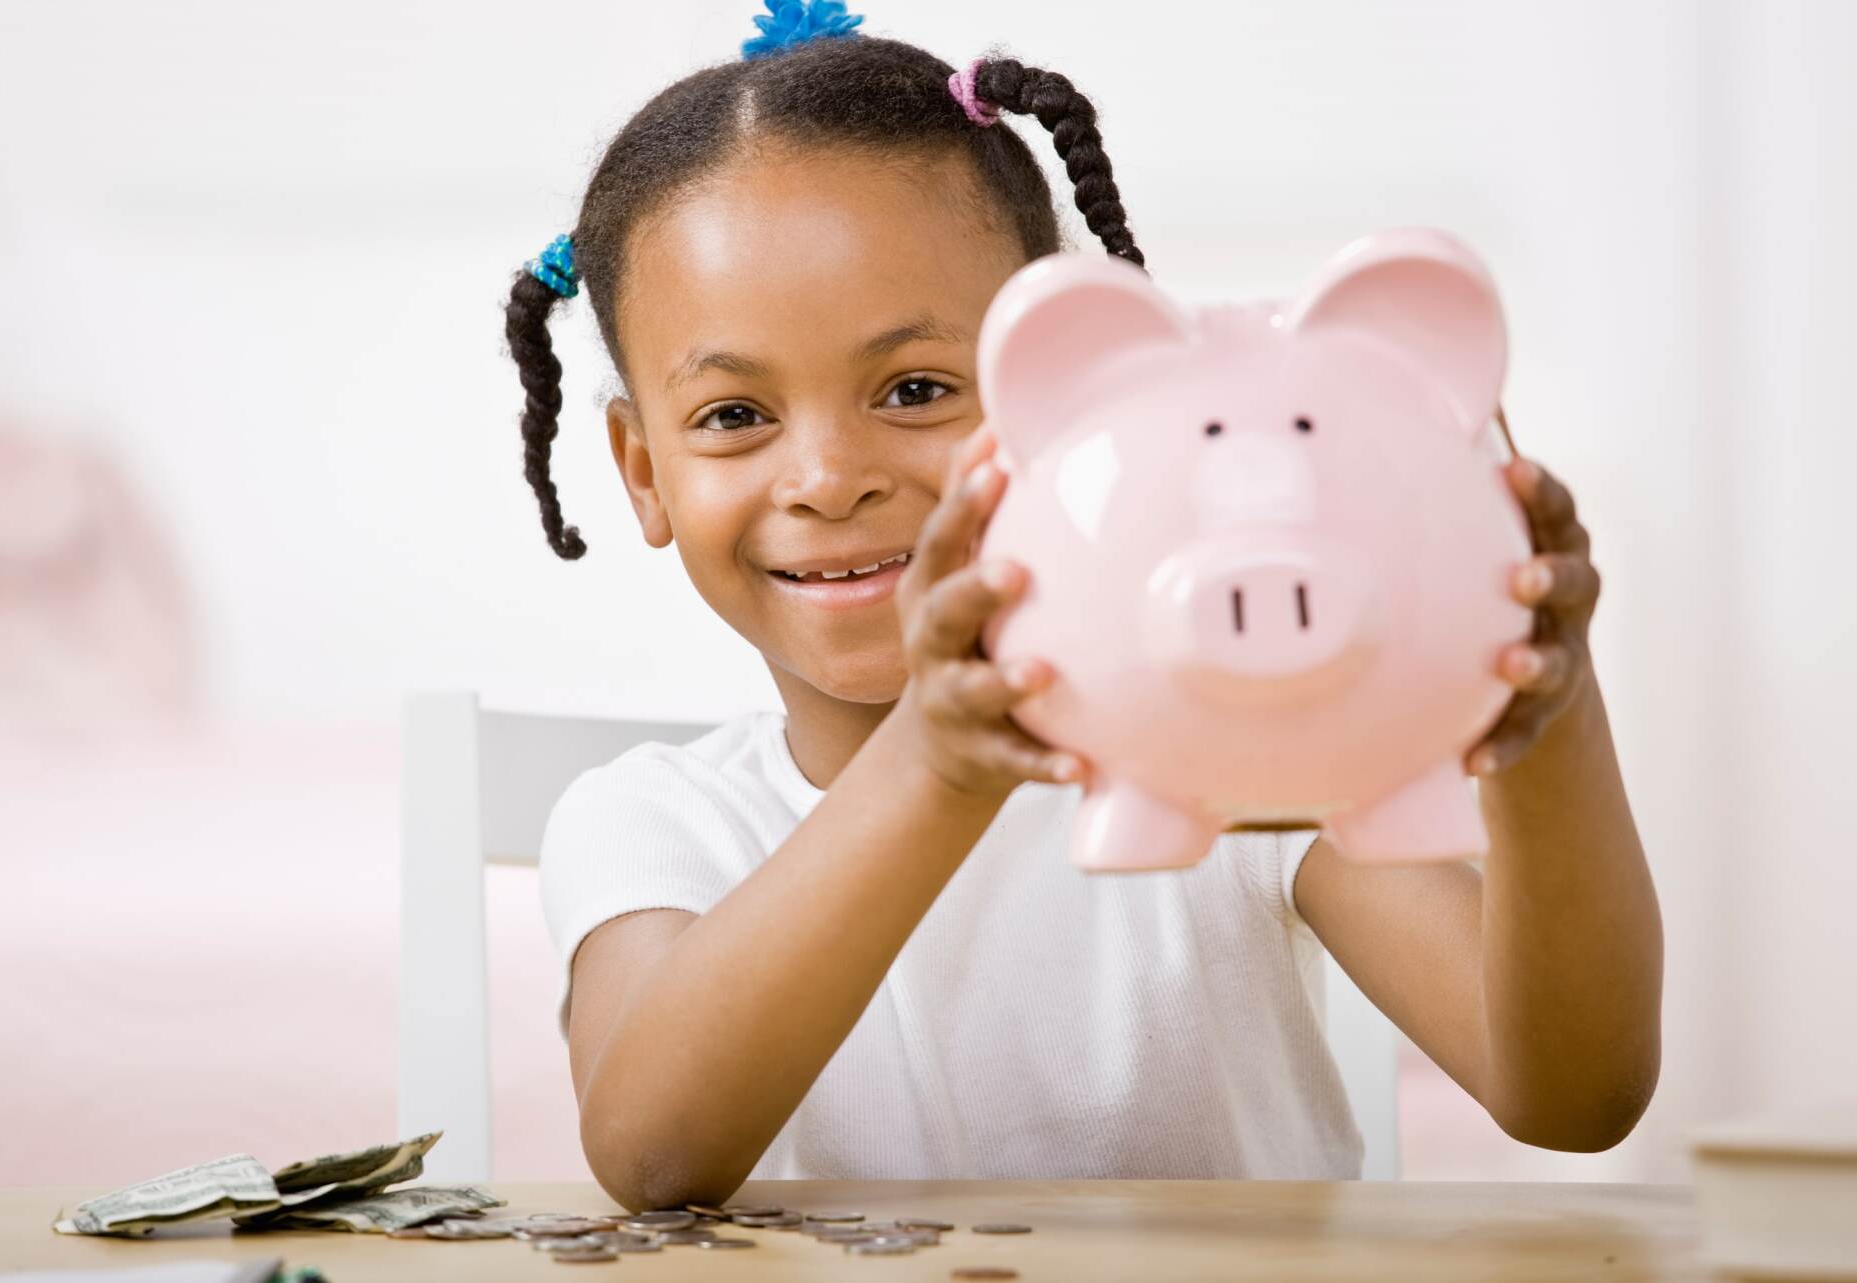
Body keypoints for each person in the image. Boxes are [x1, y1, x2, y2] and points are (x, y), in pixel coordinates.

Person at [515, 2, 1663, 1211]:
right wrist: (939, 765)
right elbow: (653, 1153)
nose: (828, 477)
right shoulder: (648, 819)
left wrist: (1553, 714)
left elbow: (1574, 1097)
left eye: (914, 388)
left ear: (1068, 392)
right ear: (643, 470)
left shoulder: (1232, 751)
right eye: (735, 416)